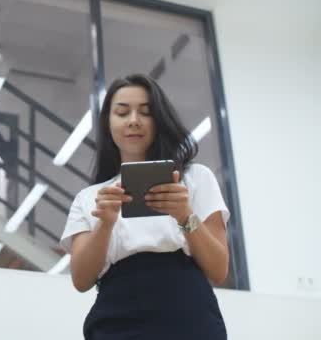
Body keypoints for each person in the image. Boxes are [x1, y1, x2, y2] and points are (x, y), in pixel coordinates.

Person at [60, 74, 229, 340]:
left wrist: (185, 216)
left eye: (146, 112)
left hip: (188, 313)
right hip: (116, 316)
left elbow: (219, 269)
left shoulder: (196, 177)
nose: (133, 121)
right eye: (122, 112)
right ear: (108, 122)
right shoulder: (89, 197)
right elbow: (81, 280)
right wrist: (105, 224)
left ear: (159, 120)